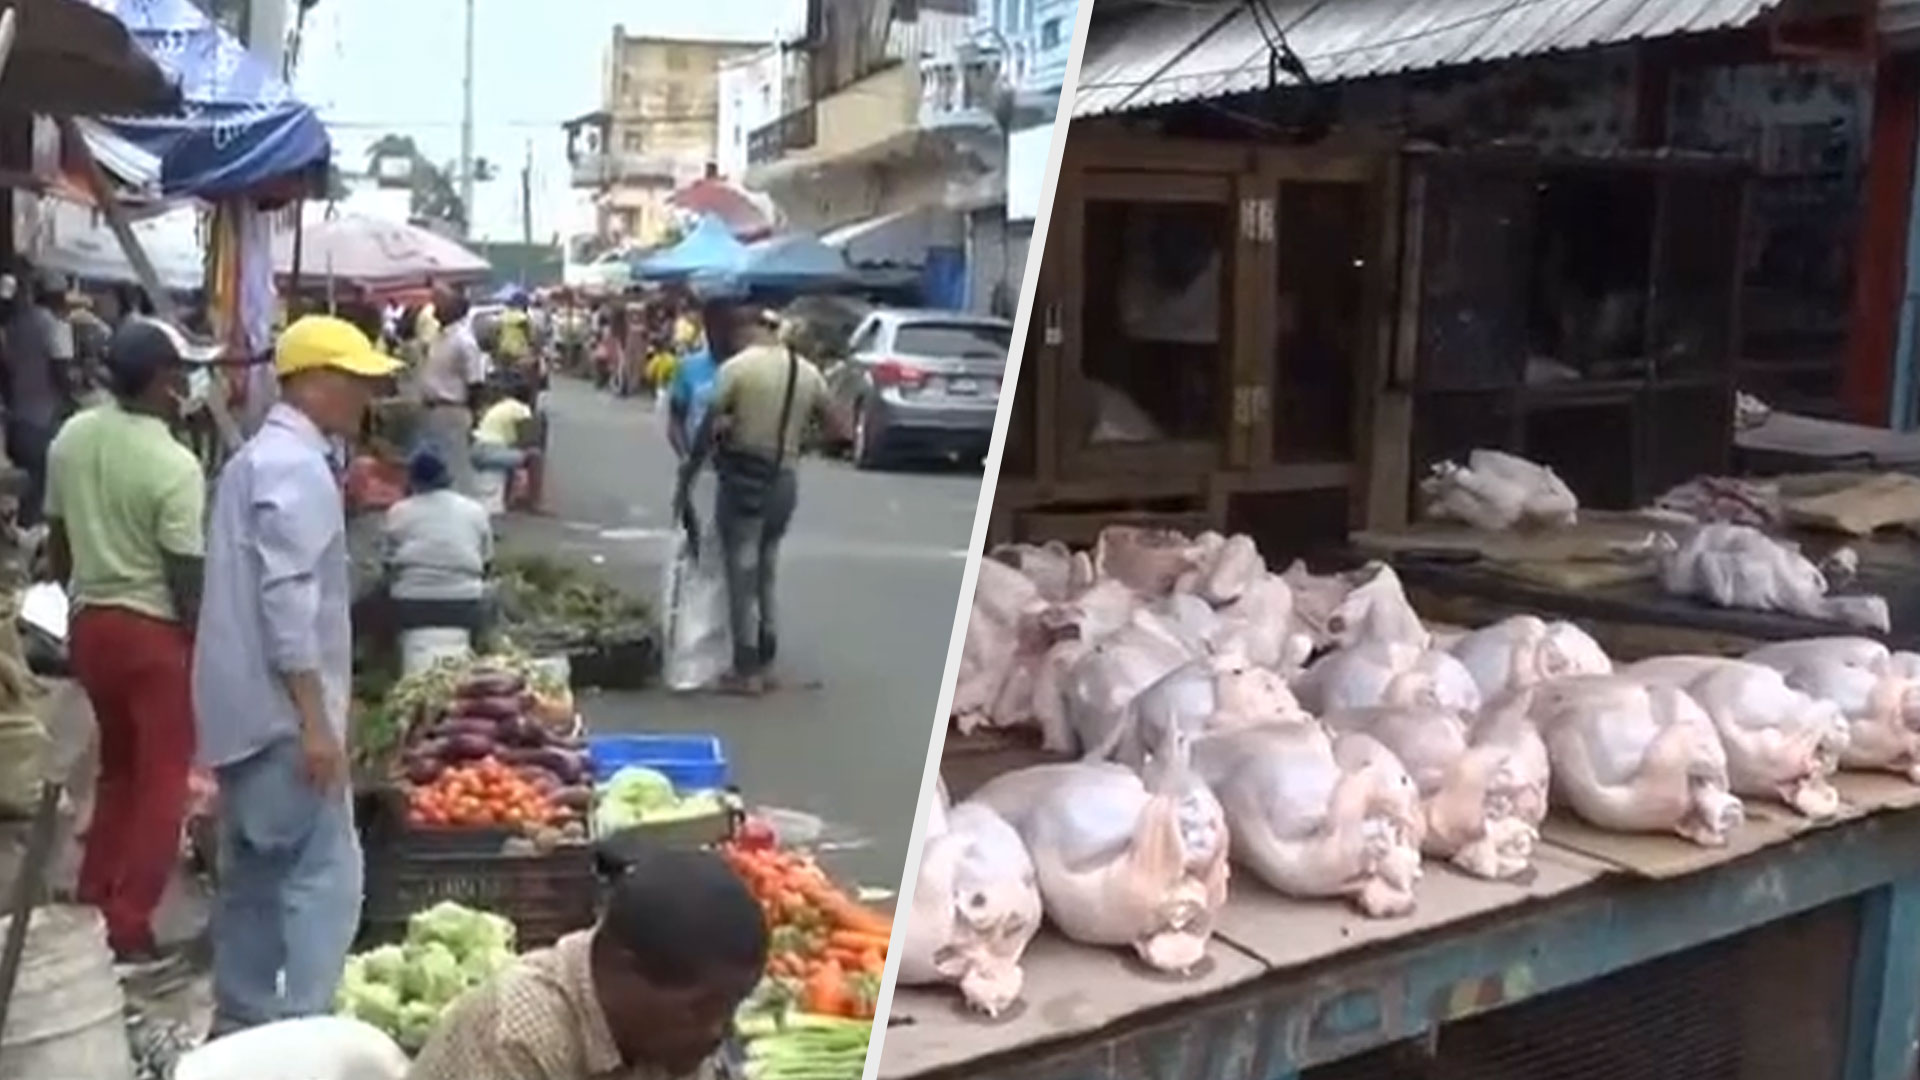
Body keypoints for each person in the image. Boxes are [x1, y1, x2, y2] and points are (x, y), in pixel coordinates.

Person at [193, 314, 402, 1035]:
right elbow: (289, 604)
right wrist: (318, 722)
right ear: (312, 383)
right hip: (282, 718)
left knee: (253, 879)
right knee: (323, 882)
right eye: (355, 382)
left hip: (241, 715)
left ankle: (241, 1023)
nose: (365, 398)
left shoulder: (257, 460)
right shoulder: (297, 468)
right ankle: (305, 1031)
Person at [44, 316, 216, 965]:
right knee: (163, 781)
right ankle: (129, 921)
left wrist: (82, 597)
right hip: (153, 633)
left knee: (117, 768)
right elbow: (186, 576)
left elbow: (58, 545)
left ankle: (93, 894)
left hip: (92, 624)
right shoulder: (174, 464)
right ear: (164, 382)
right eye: (182, 374)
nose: (187, 385)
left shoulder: (73, 436)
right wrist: (200, 647)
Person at [409, 846, 767, 1080]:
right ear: (626, 971)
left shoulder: (667, 1040)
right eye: (701, 1010)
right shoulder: (517, 1039)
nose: (717, 1032)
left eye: (730, 1010)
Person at [676, 306, 845, 696]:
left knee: (742, 569)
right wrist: (800, 441)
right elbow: (838, 428)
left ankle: (746, 669)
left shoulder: (738, 369)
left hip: (743, 476)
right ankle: (767, 663)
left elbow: (708, 425)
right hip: (784, 477)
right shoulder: (806, 372)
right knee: (767, 567)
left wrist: (690, 474)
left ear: (747, 331)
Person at [2, 268, 78, 526]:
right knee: (44, 490)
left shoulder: (15, 325)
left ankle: (21, 533)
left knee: (32, 487)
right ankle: (32, 543)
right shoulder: (58, 327)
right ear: (60, 297)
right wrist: (72, 400)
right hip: (45, 420)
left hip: (17, 421)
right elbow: (62, 372)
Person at [418, 294, 487, 498]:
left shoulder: (464, 342)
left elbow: (475, 382)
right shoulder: (439, 337)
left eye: (443, 303)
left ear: (457, 310)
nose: (436, 307)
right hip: (432, 409)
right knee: (437, 462)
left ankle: (467, 514)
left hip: (451, 409)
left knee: (454, 465)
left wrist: (473, 416)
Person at [471, 377, 544, 512]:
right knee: (535, 456)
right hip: (490, 451)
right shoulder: (521, 409)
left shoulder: (501, 406)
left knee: (515, 455)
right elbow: (528, 441)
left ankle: (508, 499)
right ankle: (534, 503)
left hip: (477, 448)